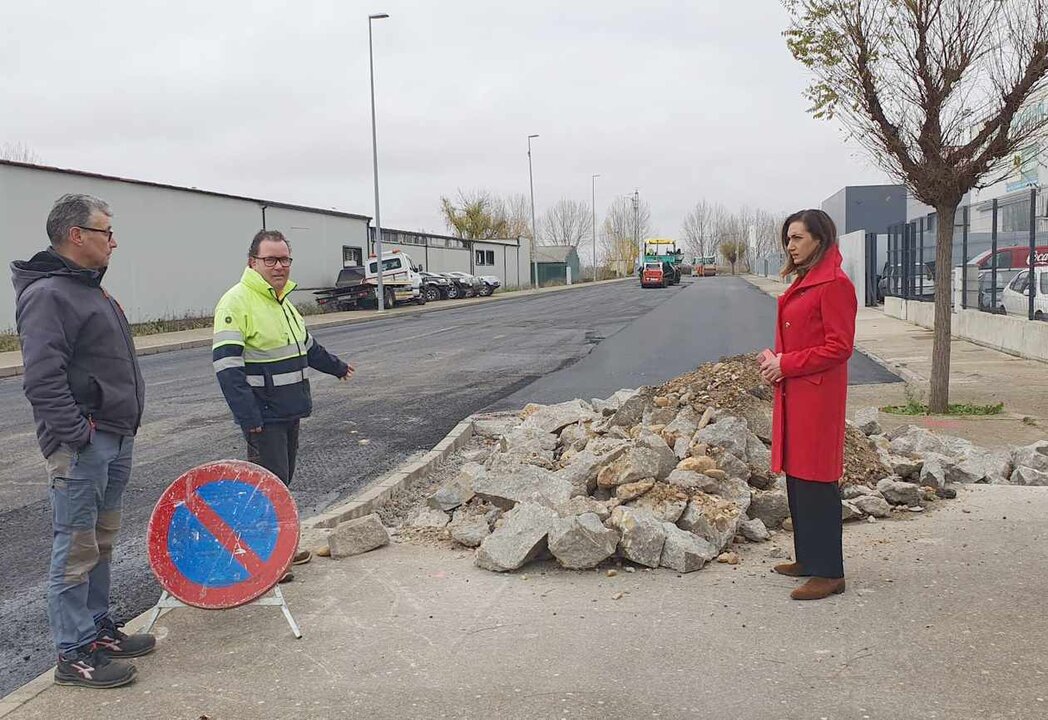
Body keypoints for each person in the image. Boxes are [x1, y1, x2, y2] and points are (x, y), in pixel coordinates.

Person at [11, 194, 155, 689]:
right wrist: (79, 435)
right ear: (77, 236)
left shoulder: (91, 290)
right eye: (105, 232)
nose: (113, 241)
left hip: (115, 437)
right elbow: (42, 381)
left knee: (101, 543)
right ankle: (73, 654)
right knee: (74, 548)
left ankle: (96, 631)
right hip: (83, 446)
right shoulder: (49, 294)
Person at [212, 230, 353, 580]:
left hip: (289, 409)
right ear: (253, 262)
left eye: (284, 259)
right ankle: (265, 563)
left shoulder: (283, 304)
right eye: (271, 260)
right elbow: (227, 368)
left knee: (281, 483)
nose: (279, 266)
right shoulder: (236, 302)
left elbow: (308, 348)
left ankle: (280, 551)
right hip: (264, 416)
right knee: (265, 489)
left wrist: (336, 367)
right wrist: (249, 417)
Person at [759, 209, 856, 601]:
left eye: (797, 238)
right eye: (788, 238)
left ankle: (830, 571)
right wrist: (775, 363)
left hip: (816, 396)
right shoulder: (807, 280)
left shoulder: (834, 284)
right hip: (796, 391)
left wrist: (787, 364)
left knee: (817, 481)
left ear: (820, 238)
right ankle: (808, 558)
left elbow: (839, 347)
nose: (790, 245)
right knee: (798, 477)